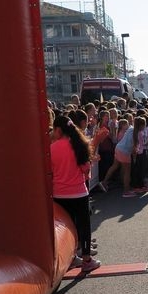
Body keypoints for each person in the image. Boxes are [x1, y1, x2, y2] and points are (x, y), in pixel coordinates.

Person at [49, 115, 100, 271]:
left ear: (58, 130)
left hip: (59, 194)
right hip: (78, 193)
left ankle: (71, 258)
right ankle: (87, 260)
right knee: (83, 227)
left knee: (66, 229)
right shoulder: (79, 145)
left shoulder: (52, 148)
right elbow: (86, 169)